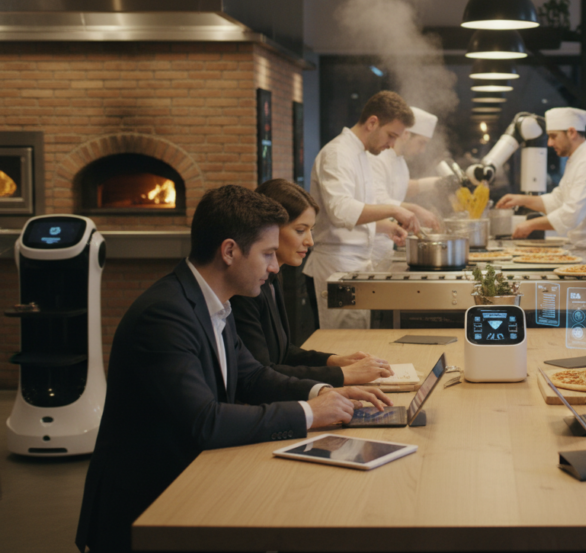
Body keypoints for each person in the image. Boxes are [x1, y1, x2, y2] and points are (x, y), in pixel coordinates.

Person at [76, 185, 392, 553]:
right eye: (267, 253)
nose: (274, 266)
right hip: (148, 507)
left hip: (194, 482)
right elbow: (205, 421)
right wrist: (309, 412)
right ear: (229, 251)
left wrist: (325, 393)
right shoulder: (164, 315)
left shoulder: (215, 303)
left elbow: (252, 375)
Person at [233, 179, 395, 387]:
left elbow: (283, 352)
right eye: (300, 230)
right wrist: (342, 375)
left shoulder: (272, 277)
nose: (310, 241)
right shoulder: (246, 288)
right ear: (270, 229)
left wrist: (334, 361)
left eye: (311, 230)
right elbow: (262, 374)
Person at [304, 91, 420, 329]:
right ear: (372, 122)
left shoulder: (361, 153)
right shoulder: (338, 153)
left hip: (354, 264)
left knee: (356, 336)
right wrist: (394, 210)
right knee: (343, 341)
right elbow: (340, 211)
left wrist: (386, 227)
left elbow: (357, 213)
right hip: (337, 265)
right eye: (391, 135)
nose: (392, 144)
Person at [495, 107, 586, 266]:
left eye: (553, 136)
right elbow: (558, 200)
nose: (549, 143)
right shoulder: (576, 160)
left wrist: (530, 225)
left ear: (571, 132)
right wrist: (521, 200)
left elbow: (572, 214)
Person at [369, 106, 443, 269]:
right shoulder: (377, 157)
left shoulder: (401, 162)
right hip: (370, 248)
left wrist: (436, 183)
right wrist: (415, 209)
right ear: (406, 134)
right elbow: (378, 201)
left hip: (387, 243)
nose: (422, 150)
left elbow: (403, 188)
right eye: (421, 143)